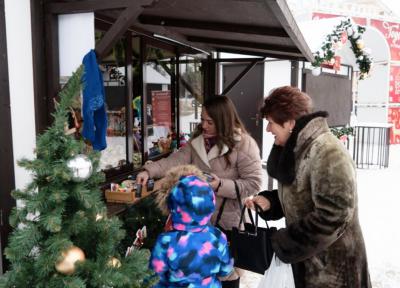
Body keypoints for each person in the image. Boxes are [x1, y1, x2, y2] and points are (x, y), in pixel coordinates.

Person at [245, 86, 371, 288]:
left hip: (334, 270)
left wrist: (286, 242)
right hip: (311, 265)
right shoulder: (298, 149)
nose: (268, 129)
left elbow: (334, 215)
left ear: (290, 123)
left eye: (270, 123)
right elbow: (303, 195)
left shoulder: (328, 152)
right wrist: (271, 202)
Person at [137, 95, 263, 287]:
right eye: (202, 119)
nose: (204, 125)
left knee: (228, 276)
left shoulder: (244, 144)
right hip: (194, 223)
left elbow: (254, 184)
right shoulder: (197, 143)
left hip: (228, 224)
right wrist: (149, 170)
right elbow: (174, 161)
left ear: (223, 121)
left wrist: (220, 185)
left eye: (209, 121)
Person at [149, 165, 233, 287]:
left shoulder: (166, 241)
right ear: (210, 204)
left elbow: (154, 277)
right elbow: (225, 270)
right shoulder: (218, 237)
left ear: (173, 206)